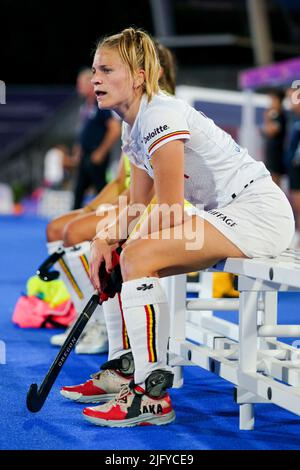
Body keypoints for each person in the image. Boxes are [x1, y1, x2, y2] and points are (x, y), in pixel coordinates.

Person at [62, 27, 294, 428]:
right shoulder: (134, 125)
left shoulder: (159, 113)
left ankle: (151, 397)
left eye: (106, 69)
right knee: (121, 255)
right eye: (94, 69)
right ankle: (125, 366)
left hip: (258, 212)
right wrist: (105, 237)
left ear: (137, 75)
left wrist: (117, 239)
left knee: (135, 254)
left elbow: (169, 207)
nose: (95, 78)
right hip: (225, 213)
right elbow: (137, 205)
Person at [72, 68, 121, 209]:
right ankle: (73, 223)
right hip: (85, 155)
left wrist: (101, 151)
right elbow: (84, 132)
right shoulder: (86, 106)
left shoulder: (101, 105)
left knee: (101, 190)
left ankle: (112, 216)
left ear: (90, 84)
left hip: (96, 155)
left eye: (80, 83)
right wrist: (79, 150)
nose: (78, 87)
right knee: (79, 191)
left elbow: (115, 129)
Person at [262, 89, 286, 187]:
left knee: (275, 181)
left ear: (277, 100)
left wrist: (267, 118)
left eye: (272, 100)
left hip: (277, 154)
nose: (270, 103)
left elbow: (270, 132)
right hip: (271, 152)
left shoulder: (280, 115)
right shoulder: (274, 115)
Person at [285, 88, 300, 248]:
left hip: (297, 168)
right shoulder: (294, 119)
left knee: (298, 205)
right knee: (295, 206)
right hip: (293, 168)